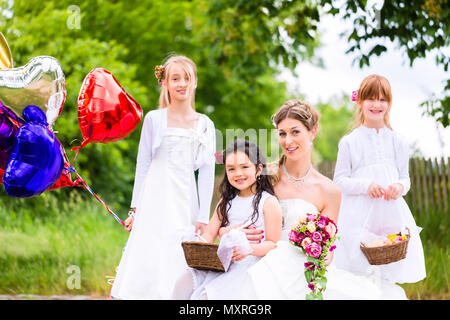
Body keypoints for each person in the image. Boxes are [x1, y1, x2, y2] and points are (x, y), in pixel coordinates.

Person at [230, 99, 407, 299]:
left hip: (303, 268)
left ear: (313, 131)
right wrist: (231, 231)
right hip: (261, 262)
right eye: (282, 133)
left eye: (295, 132)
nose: (288, 141)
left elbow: (328, 247)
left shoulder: (329, 190)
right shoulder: (264, 177)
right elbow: (234, 212)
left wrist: (321, 255)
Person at [110, 55, 216, 299]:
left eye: (186, 78)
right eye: (175, 78)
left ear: (195, 82)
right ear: (165, 84)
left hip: (184, 200)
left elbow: (207, 171)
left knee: (178, 253)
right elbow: (143, 165)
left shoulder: (205, 124)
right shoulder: (154, 120)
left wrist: (202, 216)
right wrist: (135, 209)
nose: (181, 84)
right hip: (154, 200)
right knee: (151, 250)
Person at [333, 74, 426, 284]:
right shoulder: (349, 142)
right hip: (358, 213)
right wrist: (366, 186)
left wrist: (399, 186)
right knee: (359, 269)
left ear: (389, 103)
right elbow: (339, 180)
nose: (377, 104)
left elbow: (406, 178)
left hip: (389, 213)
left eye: (383, 99)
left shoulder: (398, 141)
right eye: (371, 99)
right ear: (360, 102)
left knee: (388, 266)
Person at [172, 139, 282, 300]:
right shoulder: (226, 202)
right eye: (231, 169)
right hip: (220, 262)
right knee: (183, 283)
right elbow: (209, 234)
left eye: (245, 167)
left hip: (249, 262)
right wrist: (196, 241)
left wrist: (248, 249)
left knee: (207, 296)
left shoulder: (268, 202)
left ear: (258, 169)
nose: (238, 173)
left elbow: (273, 244)